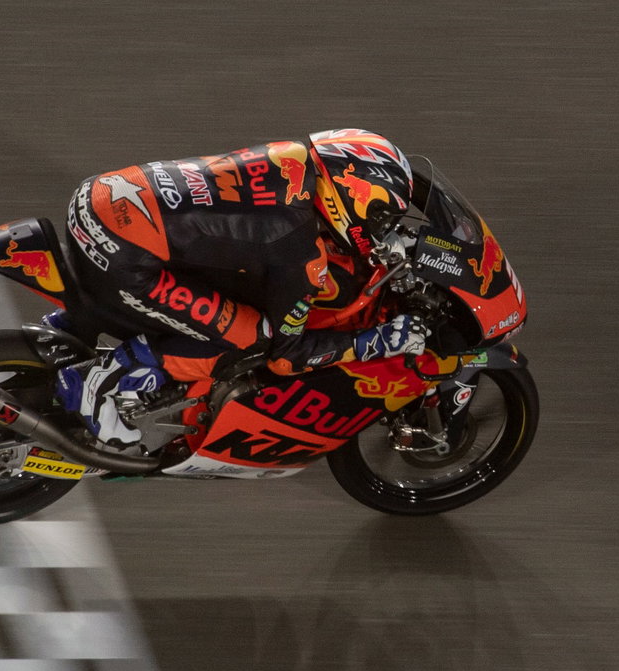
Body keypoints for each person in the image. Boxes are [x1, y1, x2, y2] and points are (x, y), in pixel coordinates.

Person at [54, 128, 428, 444]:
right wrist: (373, 342)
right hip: (123, 255)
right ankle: (100, 380)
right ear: (354, 197)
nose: (383, 229)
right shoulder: (300, 251)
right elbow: (287, 358)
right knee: (254, 340)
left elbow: (236, 232)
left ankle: (68, 331)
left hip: (102, 195)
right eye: (381, 217)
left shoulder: (290, 156)